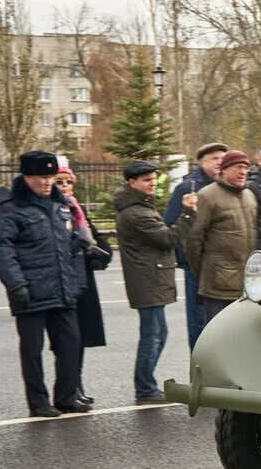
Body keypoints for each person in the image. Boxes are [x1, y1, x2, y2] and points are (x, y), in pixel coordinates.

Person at [0, 151, 90, 417]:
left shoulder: (61, 205)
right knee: (32, 351)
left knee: (70, 345)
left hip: (63, 289)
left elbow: (74, 247)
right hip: (30, 291)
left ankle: (66, 398)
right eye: (41, 177)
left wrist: (76, 281)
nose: (47, 182)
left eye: (51, 177)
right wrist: (16, 285)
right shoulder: (9, 208)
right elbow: (0, 249)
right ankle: (39, 402)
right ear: (27, 177)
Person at [115, 161, 194, 403]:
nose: (152, 184)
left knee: (159, 333)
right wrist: (189, 214)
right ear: (132, 183)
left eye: (153, 179)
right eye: (146, 180)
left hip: (150, 279)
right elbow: (169, 238)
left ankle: (146, 385)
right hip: (147, 281)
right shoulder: (135, 213)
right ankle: (145, 388)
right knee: (152, 335)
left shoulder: (140, 207)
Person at [55, 167, 111, 406]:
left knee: (81, 337)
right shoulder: (54, 210)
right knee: (68, 338)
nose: (65, 186)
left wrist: (101, 250)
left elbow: (94, 237)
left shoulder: (78, 208)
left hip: (85, 280)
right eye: (59, 182)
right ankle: (68, 388)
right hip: (66, 281)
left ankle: (77, 385)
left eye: (68, 181)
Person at [183, 150, 258, 324]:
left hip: (246, 285)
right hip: (218, 288)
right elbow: (193, 240)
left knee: (242, 337)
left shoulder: (249, 196)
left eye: (246, 168)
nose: (243, 172)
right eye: (238, 167)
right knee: (218, 339)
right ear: (224, 169)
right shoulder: (207, 196)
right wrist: (205, 273)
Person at [164, 141, 227, 349]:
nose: (219, 162)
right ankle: (199, 368)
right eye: (214, 158)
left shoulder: (227, 185)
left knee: (225, 322)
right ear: (201, 162)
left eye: (222, 158)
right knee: (199, 322)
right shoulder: (187, 188)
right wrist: (187, 259)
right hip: (198, 266)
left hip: (225, 265)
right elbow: (171, 223)